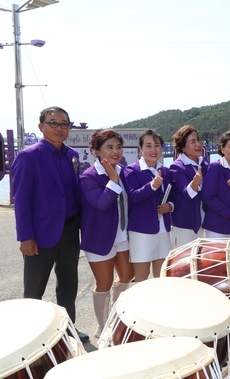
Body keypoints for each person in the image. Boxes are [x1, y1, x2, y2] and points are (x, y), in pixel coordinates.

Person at [11, 106, 88, 342]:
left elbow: (74, 193)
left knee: (68, 285)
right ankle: (30, 336)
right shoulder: (28, 157)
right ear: (41, 126)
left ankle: (68, 329)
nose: (59, 128)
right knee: (34, 289)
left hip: (69, 230)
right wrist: (25, 237)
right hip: (40, 233)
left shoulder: (72, 155)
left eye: (64, 124)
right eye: (53, 123)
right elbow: (21, 200)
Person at [79, 129, 134, 337]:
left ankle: (118, 317)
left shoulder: (125, 171)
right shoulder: (88, 177)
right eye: (109, 147)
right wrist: (112, 180)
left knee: (127, 276)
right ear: (96, 151)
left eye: (118, 147)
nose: (116, 151)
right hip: (100, 237)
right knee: (104, 283)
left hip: (123, 236)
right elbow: (101, 204)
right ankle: (103, 326)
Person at [121, 129, 174, 282]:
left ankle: (159, 306)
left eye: (156, 145)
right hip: (141, 230)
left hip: (163, 230)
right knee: (142, 276)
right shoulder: (131, 170)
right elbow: (134, 197)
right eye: (148, 146)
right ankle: (137, 306)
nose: (153, 150)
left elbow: (172, 196)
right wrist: (152, 186)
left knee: (162, 276)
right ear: (140, 149)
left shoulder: (165, 171)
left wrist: (170, 206)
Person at [202, 129, 230, 243]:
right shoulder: (215, 168)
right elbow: (207, 196)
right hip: (217, 226)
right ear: (222, 149)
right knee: (218, 260)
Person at [169, 125, 209, 247]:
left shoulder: (204, 163)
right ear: (182, 147)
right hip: (185, 226)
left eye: (198, 140)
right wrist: (194, 183)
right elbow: (188, 193)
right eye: (192, 142)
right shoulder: (177, 167)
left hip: (204, 222)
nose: (198, 144)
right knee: (184, 264)